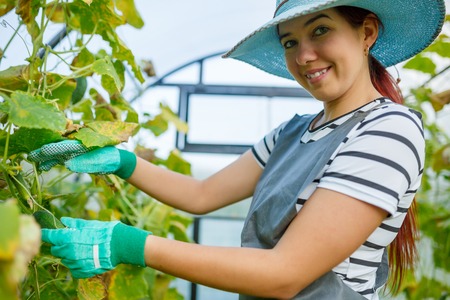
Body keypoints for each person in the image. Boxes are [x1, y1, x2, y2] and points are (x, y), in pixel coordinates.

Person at [28, 0, 446, 299]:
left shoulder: (389, 128)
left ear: (367, 31)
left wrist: (129, 244)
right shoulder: (293, 132)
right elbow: (201, 196)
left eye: (320, 30)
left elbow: (285, 275)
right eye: (288, 42)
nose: (304, 55)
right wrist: (122, 161)